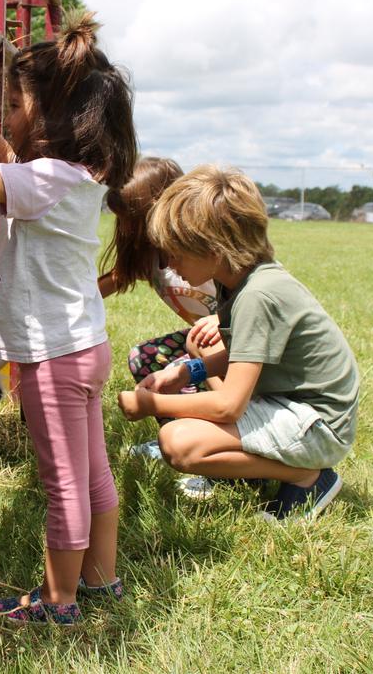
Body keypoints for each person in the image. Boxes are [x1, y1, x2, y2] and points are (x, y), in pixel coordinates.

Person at [0, 12, 136, 625]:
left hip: (53, 356)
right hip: (82, 347)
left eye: (15, 102)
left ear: (50, 119)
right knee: (92, 473)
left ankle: (58, 602)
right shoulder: (71, 176)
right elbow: (0, 159)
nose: (9, 113)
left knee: (64, 485)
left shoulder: (48, 180)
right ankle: (99, 581)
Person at [117, 165, 359, 520]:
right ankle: (268, 467)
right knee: (196, 359)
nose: (169, 262)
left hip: (319, 425)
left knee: (179, 444)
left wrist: (151, 403)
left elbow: (229, 406)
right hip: (291, 406)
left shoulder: (258, 295)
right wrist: (188, 373)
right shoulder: (236, 280)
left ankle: (306, 475)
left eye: (177, 252)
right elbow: (241, 354)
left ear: (214, 250)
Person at [98, 156, 229, 500]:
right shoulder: (148, 255)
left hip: (239, 343)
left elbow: (245, 286)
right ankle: (177, 436)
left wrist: (222, 319)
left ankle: (214, 458)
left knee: (193, 370)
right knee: (146, 358)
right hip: (205, 343)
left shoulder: (200, 249)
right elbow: (113, 281)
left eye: (132, 217)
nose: (124, 227)